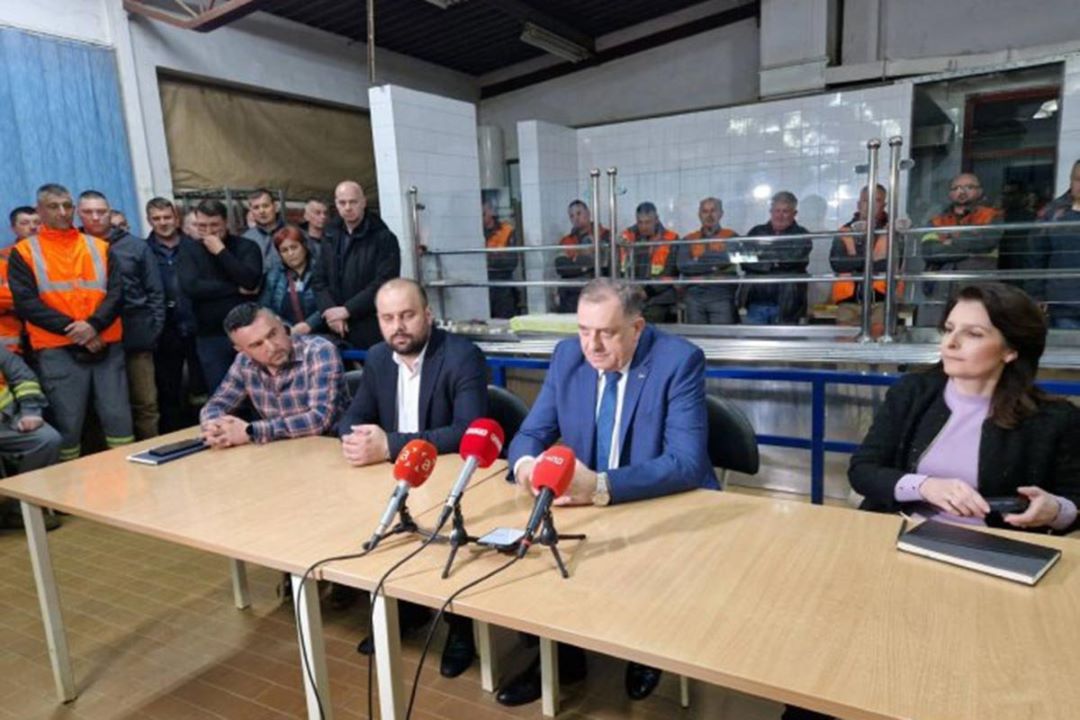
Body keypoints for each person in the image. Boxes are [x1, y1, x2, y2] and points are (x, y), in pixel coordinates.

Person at [499, 278, 716, 707]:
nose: (592, 345)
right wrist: (525, 467)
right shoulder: (567, 356)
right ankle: (561, 658)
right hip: (584, 501)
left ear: (637, 327)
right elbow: (530, 434)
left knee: (650, 566)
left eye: (607, 332)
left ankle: (647, 647)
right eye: (583, 330)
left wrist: (600, 486)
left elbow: (687, 462)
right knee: (538, 557)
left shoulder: (678, 360)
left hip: (656, 500)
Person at [337, 278, 486, 676]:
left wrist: (390, 445)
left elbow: (468, 431)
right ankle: (408, 612)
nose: (398, 327)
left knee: (445, 541)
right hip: (395, 477)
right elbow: (352, 416)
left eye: (407, 315)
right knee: (378, 528)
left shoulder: (461, 356)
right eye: (388, 318)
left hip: (448, 476)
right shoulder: (377, 357)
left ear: (428, 315)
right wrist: (356, 439)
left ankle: (459, 629)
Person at [849, 283, 1079, 532]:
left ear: (1011, 350)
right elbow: (863, 470)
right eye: (949, 329)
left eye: (974, 334)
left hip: (997, 547)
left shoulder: (1055, 419)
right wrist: (925, 486)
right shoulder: (912, 391)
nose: (951, 343)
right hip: (902, 532)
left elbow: (1074, 504)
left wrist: (1056, 510)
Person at [8, 184, 132, 462]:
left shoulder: (99, 247)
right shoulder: (24, 252)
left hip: (105, 346)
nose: (63, 212)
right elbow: (27, 304)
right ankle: (67, 486)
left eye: (67, 205)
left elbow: (117, 293)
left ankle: (130, 478)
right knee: (68, 426)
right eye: (54, 206)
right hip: (58, 350)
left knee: (119, 421)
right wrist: (79, 331)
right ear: (40, 211)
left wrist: (94, 325)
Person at [78, 190, 165, 440]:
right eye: (89, 212)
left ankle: (151, 449)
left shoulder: (135, 246)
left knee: (146, 403)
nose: (96, 217)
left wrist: (153, 330)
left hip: (135, 333)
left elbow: (155, 292)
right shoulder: (73, 246)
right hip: (94, 337)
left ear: (110, 213)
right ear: (79, 214)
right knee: (103, 407)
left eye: (101, 211)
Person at [199, 303, 346, 448]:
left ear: (281, 324)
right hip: (279, 449)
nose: (271, 347)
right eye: (257, 344)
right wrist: (216, 428)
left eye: (272, 334)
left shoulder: (319, 351)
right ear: (241, 350)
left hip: (329, 447)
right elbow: (216, 404)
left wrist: (250, 431)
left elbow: (319, 419)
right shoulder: (243, 362)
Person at [178, 199, 263, 392]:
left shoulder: (247, 247)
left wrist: (221, 252)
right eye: (202, 226)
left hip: (247, 331)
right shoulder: (189, 250)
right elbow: (192, 287)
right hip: (210, 335)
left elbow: (250, 281)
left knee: (257, 390)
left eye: (214, 225)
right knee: (222, 392)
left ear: (225, 222)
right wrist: (234, 288)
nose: (208, 231)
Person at [312, 180, 400, 349]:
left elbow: (385, 283)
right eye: (342, 202)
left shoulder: (383, 238)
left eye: (353, 202)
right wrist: (331, 311)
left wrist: (348, 310)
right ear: (336, 204)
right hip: (334, 326)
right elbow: (318, 279)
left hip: (371, 325)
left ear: (364, 202)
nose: (348, 207)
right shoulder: (329, 234)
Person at [146, 197, 206, 432]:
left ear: (176, 218)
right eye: (157, 218)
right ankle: (173, 436)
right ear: (149, 221)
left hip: (197, 324)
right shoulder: (144, 251)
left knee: (201, 387)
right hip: (164, 330)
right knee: (168, 390)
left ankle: (204, 430)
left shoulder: (196, 246)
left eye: (167, 217)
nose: (163, 223)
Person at [918, 173, 1002, 326]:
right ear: (950, 194)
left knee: (974, 330)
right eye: (956, 188)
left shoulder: (991, 216)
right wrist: (966, 243)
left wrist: (950, 242)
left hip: (977, 288)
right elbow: (930, 252)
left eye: (969, 187)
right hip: (940, 290)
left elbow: (986, 242)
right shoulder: (936, 220)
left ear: (980, 191)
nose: (961, 191)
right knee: (936, 333)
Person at [0, 346, 62, 531]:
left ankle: (19, 510)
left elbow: (23, 377)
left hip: (6, 420)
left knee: (48, 439)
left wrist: (30, 411)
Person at [739, 191, 813, 325]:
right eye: (777, 211)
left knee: (785, 339)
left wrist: (760, 257)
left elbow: (791, 261)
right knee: (753, 339)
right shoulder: (756, 232)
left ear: (794, 213)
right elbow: (742, 260)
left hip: (788, 304)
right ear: (771, 211)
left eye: (785, 211)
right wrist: (775, 260)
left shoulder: (802, 234)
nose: (780, 215)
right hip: (756, 302)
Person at [829, 184, 892, 333]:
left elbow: (890, 265)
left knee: (878, 343)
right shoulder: (845, 230)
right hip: (848, 303)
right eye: (866, 200)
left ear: (884, 205)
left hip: (882, 302)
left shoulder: (892, 231)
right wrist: (872, 260)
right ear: (858, 204)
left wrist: (855, 261)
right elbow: (837, 264)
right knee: (845, 343)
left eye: (876, 200)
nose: (870, 205)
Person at [676, 197, 739, 324]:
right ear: (699, 215)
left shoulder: (731, 236)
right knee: (697, 336)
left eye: (713, 211)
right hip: (694, 296)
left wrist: (698, 260)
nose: (709, 215)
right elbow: (683, 265)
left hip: (722, 295)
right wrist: (714, 266)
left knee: (722, 335)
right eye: (705, 211)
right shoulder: (689, 239)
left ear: (721, 213)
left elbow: (727, 259)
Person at [1033, 159, 1080, 328]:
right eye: (1078, 179)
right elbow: (1036, 256)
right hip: (1065, 304)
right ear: (1071, 180)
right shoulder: (1052, 213)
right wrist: (1036, 294)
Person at [620, 202, 679, 323]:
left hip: (659, 297)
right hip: (631, 295)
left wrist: (647, 291)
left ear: (656, 219)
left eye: (648, 222)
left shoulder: (671, 238)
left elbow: (671, 272)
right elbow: (618, 266)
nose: (644, 227)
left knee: (650, 323)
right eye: (640, 222)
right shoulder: (626, 238)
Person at [260, 225, 323, 335]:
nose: (290, 254)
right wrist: (286, 327)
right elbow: (265, 307)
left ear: (304, 246)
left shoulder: (321, 270)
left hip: (322, 332)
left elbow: (331, 302)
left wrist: (310, 324)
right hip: (287, 334)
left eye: (294, 247)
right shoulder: (274, 275)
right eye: (284, 250)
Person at [554, 200, 610, 313]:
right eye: (572, 216)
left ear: (588, 213)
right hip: (570, 295)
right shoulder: (566, 240)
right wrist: (585, 264)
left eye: (579, 213)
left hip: (596, 290)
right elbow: (560, 267)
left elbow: (603, 262)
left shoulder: (604, 235)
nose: (576, 218)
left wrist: (575, 261)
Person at [482, 193, 519, 319]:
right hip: (483, 286)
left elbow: (511, 261)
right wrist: (493, 257)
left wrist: (487, 260)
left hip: (503, 286)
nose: (481, 217)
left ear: (491, 212)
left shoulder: (506, 231)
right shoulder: (475, 234)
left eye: (483, 213)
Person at [242, 188, 284, 273]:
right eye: (256, 207)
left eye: (265, 206)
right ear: (251, 211)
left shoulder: (293, 233)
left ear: (275, 207)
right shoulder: (246, 239)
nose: (261, 211)